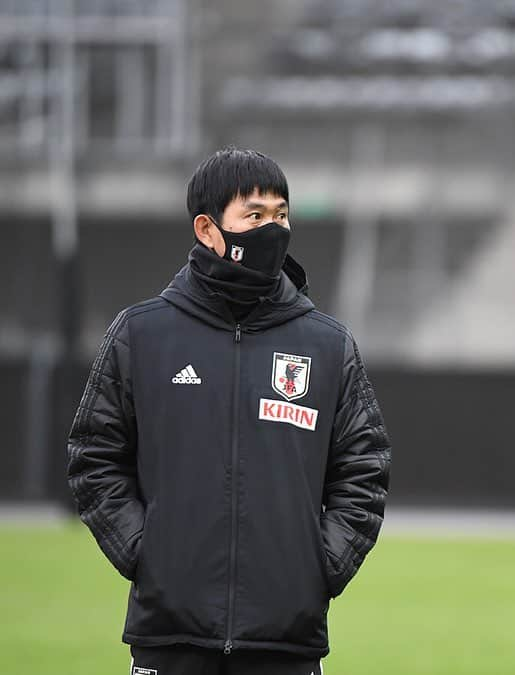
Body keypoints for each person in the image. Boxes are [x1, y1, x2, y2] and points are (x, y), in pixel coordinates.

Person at [67, 148, 391, 675]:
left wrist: (319, 565)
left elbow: (365, 466)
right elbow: (94, 455)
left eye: (281, 214)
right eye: (254, 215)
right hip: (169, 638)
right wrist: (149, 555)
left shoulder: (327, 345)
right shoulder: (141, 335)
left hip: (287, 642)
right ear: (207, 228)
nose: (272, 228)